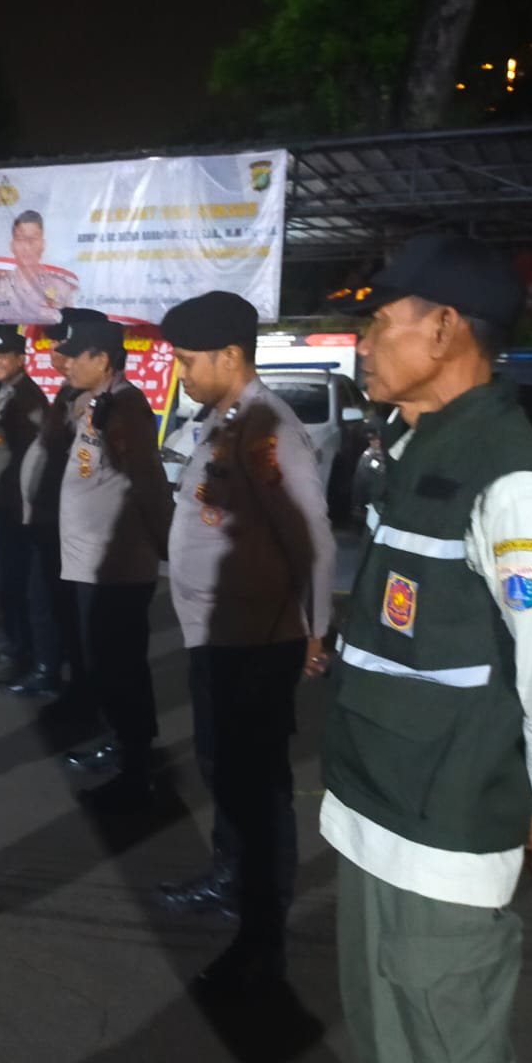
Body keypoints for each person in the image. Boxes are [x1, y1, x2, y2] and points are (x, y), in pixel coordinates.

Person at [323, 234, 532, 1063]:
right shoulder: (414, 452)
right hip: (370, 812)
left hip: (443, 839)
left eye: (381, 322)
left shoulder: (514, 486)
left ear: (445, 328)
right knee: (388, 1052)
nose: (364, 343)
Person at [154, 291, 337, 992]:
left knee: (258, 788)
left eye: (189, 360)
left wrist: (315, 629)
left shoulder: (268, 432)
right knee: (222, 769)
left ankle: (262, 933)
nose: (183, 373)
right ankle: (230, 878)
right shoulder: (221, 422)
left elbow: (313, 540)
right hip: (216, 634)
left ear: (231, 355)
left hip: (255, 639)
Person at [54, 311, 174, 812]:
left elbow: (147, 483)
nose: (64, 363)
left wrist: (167, 546)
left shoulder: (125, 408)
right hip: (93, 565)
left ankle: (136, 767)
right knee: (106, 666)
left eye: (73, 355)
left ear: (102, 359)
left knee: (121, 668)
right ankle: (121, 745)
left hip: (116, 569)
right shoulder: (97, 403)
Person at [16, 318, 90, 704]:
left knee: (65, 606)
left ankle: (70, 683)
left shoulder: (94, 400)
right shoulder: (68, 392)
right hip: (49, 517)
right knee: (46, 598)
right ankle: (50, 670)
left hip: (67, 521)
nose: (55, 354)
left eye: (62, 346)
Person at [0, 328, 49, 688]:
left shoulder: (25, 397)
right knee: (4, 578)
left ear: (21, 359)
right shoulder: (7, 393)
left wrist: (23, 507)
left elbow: (31, 457)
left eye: (3, 355)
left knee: (13, 579)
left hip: (12, 507)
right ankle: (16, 639)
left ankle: (25, 647)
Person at [0, 210, 79, 326]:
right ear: (12, 245)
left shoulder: (62, 289)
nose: (27, 246)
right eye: (20, 239)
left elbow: (72, 328)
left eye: (33, 239)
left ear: (43, 244)